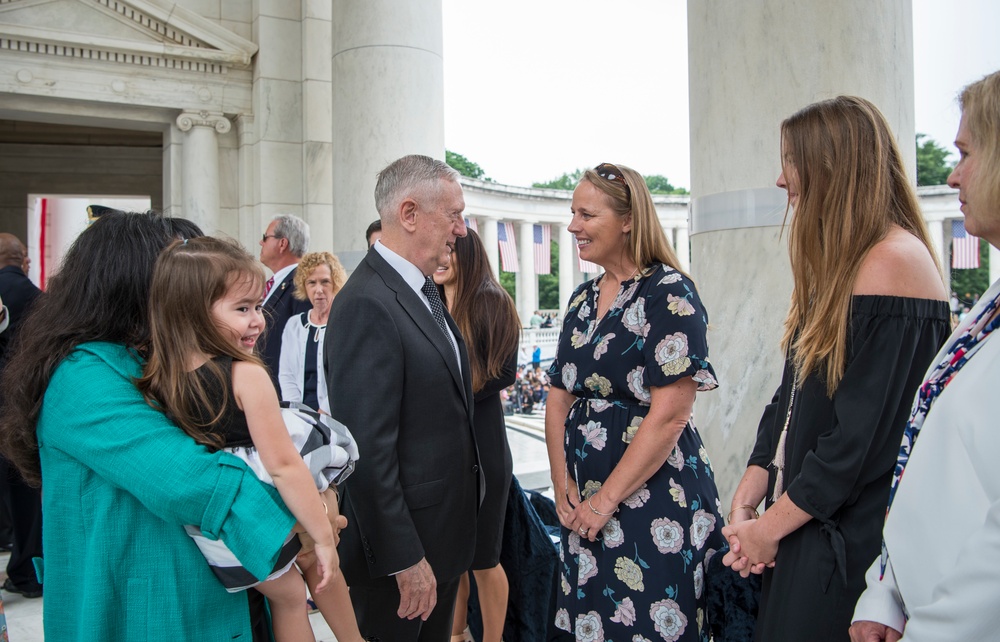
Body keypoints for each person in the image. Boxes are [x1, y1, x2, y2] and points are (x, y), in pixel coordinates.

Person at [0, 212, 343, 641]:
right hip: (143, 613)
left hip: (216, 597)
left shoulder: (163, 362)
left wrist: (318, 499)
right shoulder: (82, 376)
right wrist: (301, 520)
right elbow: (191, 480)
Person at [721, 96, 951, 642]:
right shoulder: (845, 265)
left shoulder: (891, 262)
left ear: (832, 165)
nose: (780, 180)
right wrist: (748, 498)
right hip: (807, 527)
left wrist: (766, 531)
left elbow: (854, 443)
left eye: (791, 160)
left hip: (848, 546)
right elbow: (790, 400)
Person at [137, 236, 364, 642]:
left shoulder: (159, 377)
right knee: (309, 577)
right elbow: (282, 465)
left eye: (257, 306)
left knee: (287, 596)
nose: (258, 320)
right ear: (191, 313)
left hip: (216, 532)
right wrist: (325, 536)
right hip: (262, 505)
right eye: (243, 309)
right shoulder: (245, 375)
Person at [850, 70, 1000, 642]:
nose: (953, 172)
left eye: (966, 152)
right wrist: (885, 591)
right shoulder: (990, 305)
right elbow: (928, 453)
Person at [545, 162, 724, 640]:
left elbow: (670, 415)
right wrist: (563, 485)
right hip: (583, 505)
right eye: (572, 213)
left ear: (627, 220)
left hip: (653, 501)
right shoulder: (581, 300)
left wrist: (603, 503)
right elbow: (557, 397)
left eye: (587, 214)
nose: (572, 226)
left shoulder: (669, 293)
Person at [326, 154, 481, 641]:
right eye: (453, 214)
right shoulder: (367, 303)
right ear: (409, 214)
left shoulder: (419, 289)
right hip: (404, 557)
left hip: (441, 539)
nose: (461, 229)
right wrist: (404, 558)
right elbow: (367, 449)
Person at [433, 230, 521, 642]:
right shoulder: (430, 302)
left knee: (484, 560)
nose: (442, 257)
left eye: (450, 250)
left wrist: (452, 393)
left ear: (466, 254)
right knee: (453, 559)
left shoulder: (491, 301)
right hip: (445, 448)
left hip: (484, 447)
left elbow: (503, 372)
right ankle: (456, 633)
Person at [0, 233, 43, 600]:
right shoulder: (35, 296)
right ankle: (27, 570)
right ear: (22, 258)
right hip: (18, 408)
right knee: (25, 491)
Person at [279, 251, 347, 413]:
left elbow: (345, 377)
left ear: (335, 283)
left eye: (325, 282)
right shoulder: (294, 325)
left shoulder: (344, 324)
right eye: (311, 282)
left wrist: (324, 412)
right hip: (300, 416)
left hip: (335, 415)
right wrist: (296, 411)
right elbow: (286, 375)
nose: (319, 289)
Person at [259, 214, 312, 389]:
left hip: (284, 394)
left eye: (265, 238)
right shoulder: (275, 283)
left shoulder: (302, 283)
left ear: (282, 243)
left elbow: (305, 345)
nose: (261, 243)